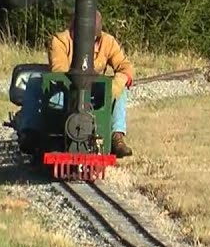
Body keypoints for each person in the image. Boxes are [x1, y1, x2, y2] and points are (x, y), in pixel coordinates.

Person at [17, 8, 136, 158]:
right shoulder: (59, 40)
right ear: (73, 29)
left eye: (93, 38)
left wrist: (118, 83)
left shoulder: (108, 42)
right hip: (63, 90)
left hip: (94, 90)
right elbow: (59, 70)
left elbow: (126, 66)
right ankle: (30, 132)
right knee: (34, 81)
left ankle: (116, 137)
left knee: (121, 90)